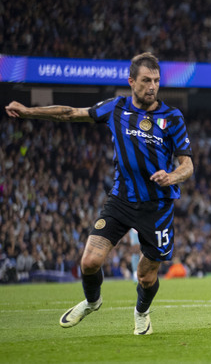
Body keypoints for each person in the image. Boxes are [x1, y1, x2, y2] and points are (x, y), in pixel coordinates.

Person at [5, 52, 194, 335]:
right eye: (145, 80)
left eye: (156, 80)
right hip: (121, 199)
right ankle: (93, 301)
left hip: (158, 205)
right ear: (131, 81)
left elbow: (187, 165)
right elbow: (70, 113)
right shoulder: (115, 108)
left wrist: (172, 176)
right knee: (90, 261)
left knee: (145, 276)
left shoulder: (172, 117)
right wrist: (30, 111)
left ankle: (141, 312)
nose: (152, 86)